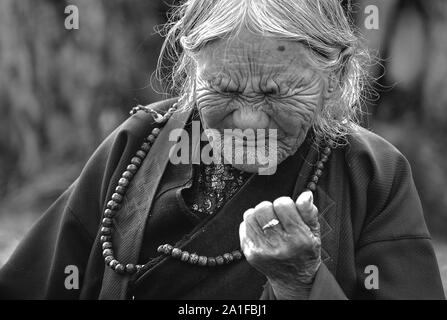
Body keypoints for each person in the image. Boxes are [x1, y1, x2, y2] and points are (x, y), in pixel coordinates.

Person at [0, 0, 444, 300]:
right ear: (193, 72)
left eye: (276, 94)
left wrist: (303, 282)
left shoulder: (372, 175)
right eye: (225, 89)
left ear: (334, 79)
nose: (248, 121)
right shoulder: (139, 146)